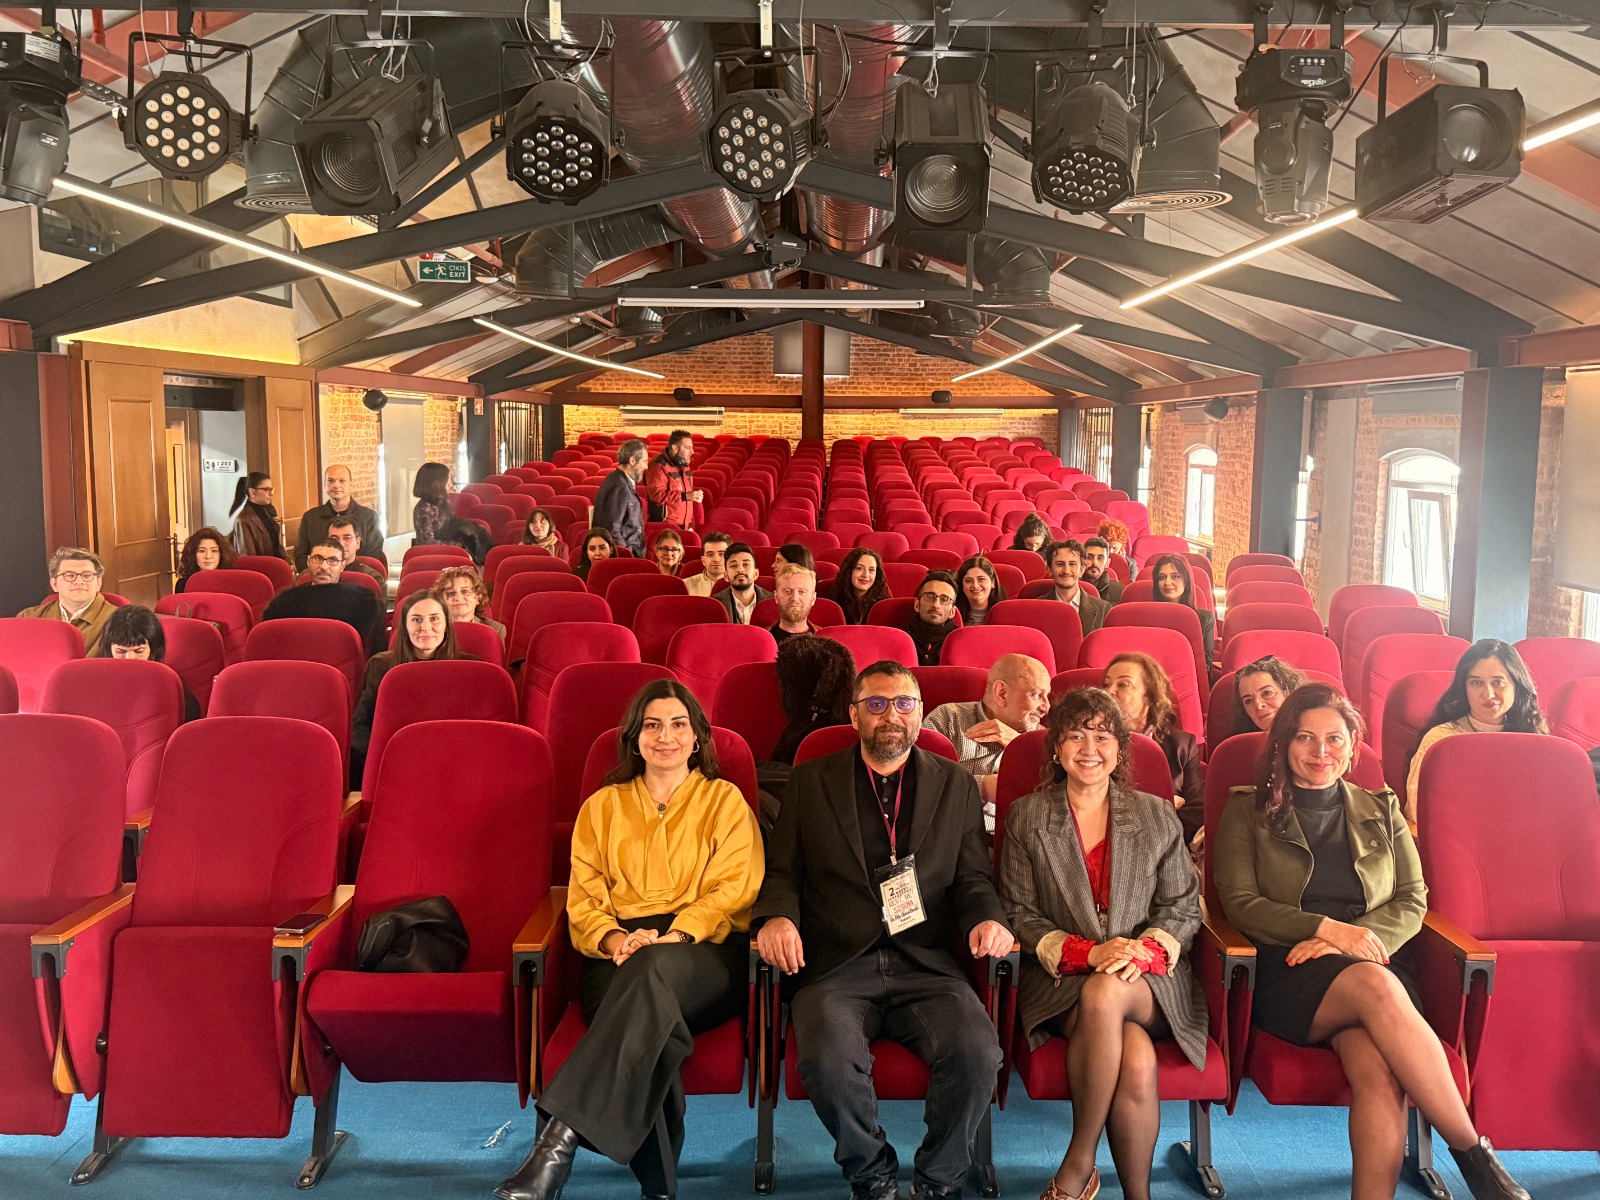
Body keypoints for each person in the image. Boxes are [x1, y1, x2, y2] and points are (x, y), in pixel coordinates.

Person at [1214, 684, 1529, 1200]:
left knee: (1379, 1071)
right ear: (1283, 744)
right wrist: (1326, 930)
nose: (1321, 751)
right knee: (1376, 987)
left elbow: (1412, 898)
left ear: (1352, 745)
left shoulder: (1381, 808)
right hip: (1288, 966)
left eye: (1334, 738)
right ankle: (1472, 1153)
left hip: (1373, 957)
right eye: (1305, 738)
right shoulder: (1247, 810)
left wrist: (1356, 939)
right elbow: (1241, 903)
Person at [754, 660, 1013, 1200]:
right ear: (854, 715)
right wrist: (777, 917)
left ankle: (939, 1181)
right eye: (875, 704)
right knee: (826, 1062)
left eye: (903, 703)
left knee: (976, 1054)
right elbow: (782, 873)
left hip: (927, 963)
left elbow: (973, 878)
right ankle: (871, 1174)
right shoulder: (810, 782)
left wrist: (989, 918)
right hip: (837, 965)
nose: (890, 715)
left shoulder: (956, 785)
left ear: (920, 714)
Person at [495, 681, 762, 1200]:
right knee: (652, 1023)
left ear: (697, 737)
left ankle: (556, 1143)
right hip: (617, 955)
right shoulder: (602, 807)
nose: (666, 736)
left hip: (704, 952)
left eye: (679, 725)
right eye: (653, 725)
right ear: (635, 738)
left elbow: (736, 889)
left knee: (647, 984)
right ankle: (656, 1190)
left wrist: (676, 934)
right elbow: (582, 899)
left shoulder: (723, 801)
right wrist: (616, 938)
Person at [999, 687, 1205, 1200]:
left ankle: (1079, 1161)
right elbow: (1018, 912)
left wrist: (1140, 952)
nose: (1089, 749)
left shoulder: (1156, 814)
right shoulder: (1027, 816)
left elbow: (1182, 906)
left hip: (1148, 981)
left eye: (1103, 737)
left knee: (1107, 989)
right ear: (1056, 748)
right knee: (1135, 1058)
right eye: (1075, 736)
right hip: (1063, 984)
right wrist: (1089, 953)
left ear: (1120, 750)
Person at [1405, 639, 1548, 822]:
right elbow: (1417, 811)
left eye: (1498, 682)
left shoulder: (1534, 736)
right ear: (1464, 688)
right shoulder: (1441, 740)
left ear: (1516, 686)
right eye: (1477, 683)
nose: (1488, 694)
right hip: (1457, 834)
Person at [350, 590, 473, 781]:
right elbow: (361, 727)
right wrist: (388, 758)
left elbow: (475, 732)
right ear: (405, 627)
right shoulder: (380, 666)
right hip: (393, 765)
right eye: (416, 620)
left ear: (447, 626)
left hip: (453, 767)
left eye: (434, 619)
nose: (425, 627)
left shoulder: (472, 669)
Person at [923, 653, 1051, 826]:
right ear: (1002, 693)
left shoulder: (1041, 739)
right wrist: (982, 787)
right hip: (953, 831)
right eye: (1036, 695)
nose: (1046, 707)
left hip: (1016, 836)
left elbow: (1057, 797)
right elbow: (923, 786)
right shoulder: (948, 719)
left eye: (1047, 696)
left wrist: (1019, 745)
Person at [1103, 652, 1204, 842]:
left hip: (1164, 847)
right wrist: (1163, 808)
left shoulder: (1182, 745)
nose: (1109, 692)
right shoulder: (1092, 744)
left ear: (1149, 696)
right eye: (1107, 684)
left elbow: (1198, 810)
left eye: (1123, 684)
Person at [261, 539, 385, 656]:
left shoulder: (363, 603)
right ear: (308, 561)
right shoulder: (284, 603)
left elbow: (373, 651)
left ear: (342, 565)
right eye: (318, 559)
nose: (324, 567)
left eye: (333, 560)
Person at [93, 604, 200, 722]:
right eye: (121, 651)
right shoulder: (94, 679)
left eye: (139, 651)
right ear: (109, 649)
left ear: (153, 648)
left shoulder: (168, 682)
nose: (129, 658)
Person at [19, 547, 115, 650]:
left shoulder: (118, 621)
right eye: (70, 575)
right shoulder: (27, 618)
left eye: (87, 575)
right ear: (54, 584)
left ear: (99, 583)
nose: (79, 581)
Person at [294, 463, 383, 572]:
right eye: (331, 481)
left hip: (357, 576)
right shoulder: (311, 517)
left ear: (351, 484)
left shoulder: (368, 517)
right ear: (324, 484)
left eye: (342, 481)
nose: (336, 485)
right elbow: (301, 556)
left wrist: (343, 573)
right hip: (320, 576)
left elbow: (372, 556)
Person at [1148, 554, 1215, 664]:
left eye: (1175, 576)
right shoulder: (1147, 617)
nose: (1167, 583)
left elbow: (1205, 666)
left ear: (1186, 580)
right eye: (1162, 577)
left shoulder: (1204, 619)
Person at [1229, 656, 1306, 738]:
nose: (1258, 706)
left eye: (1267, 693)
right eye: (1248, 700)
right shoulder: (1240, 744)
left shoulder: (1314, 739)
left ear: (1290, 692)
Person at [1045, 540, 1111, 635]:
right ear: (1049, 569)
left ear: (1082, 570)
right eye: (1060, 564)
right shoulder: (1035, 609)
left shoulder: (1104, 609)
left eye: (1072, 564)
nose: (1066, 571)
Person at [596, 438, 648, 557]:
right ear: (632, 461)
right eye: (644, 461)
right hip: (626, 556)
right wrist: (627, 554)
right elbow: (612, 529)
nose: (646, 467)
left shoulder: (618, 480)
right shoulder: (620, 486)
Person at [644, 429, 703, 529]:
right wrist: (685, 496)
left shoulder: (684, 464)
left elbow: (688, 500)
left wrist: (690, 524)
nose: (692, 452)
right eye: (688, 448)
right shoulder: (659, 466)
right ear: (675, 448)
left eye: (692, 448)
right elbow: (657, 496)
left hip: (684, 525)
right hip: (666, 526)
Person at [228, 471, 290, 563]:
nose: (271, 494)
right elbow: (248, 558)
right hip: (261, 568)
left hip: (274, 565)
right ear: (252, 492)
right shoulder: (243, 520)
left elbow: (276, 544)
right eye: (266, 490)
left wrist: (288, 562)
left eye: (271, 489)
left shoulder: (266, 511)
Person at [905, 569, 960, 667]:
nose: (936, 605)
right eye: (930, 596)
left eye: (944, 599)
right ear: (917, 605)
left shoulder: (960, 642)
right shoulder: (901, 639)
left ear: (952, 612)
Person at [437, 564, 505, 641]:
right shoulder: (432, 628)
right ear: (441, 600)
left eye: (465, 591)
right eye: (451, 593)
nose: (458, 598)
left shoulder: (496, 630)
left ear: (478, 597)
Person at [712, 542, 770, 625]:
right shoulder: (714, 604)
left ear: (756, 574)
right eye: (733, 566)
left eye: (746, 564)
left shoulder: (773, 602)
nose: (740, 570)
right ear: (726, 576)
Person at [832, 547, 889, 625]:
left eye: (871, 570)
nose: (866, 575)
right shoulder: (834, 601)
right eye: (859, 568)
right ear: (849, 571)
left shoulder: (883, 605)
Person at [174, 527, 236, 593]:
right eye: (202, 551)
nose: (208, 556)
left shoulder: (232, 582)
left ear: (222, 554)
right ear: (193, 554)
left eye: (214, 551)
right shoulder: (184, 584)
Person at [768, 562, 818, 644]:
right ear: (776, 597)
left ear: (813, 599)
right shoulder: (760, 639)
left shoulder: (826, 640)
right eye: (787, 591)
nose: (794, 598)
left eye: (801, 592)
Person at [327, 515, 386, 584]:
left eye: (347, 538)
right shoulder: (320, 574)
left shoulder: (373, 578)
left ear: (358, 543)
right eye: (335, 539)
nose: (341, 544)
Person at [955, 555, 1006, 627]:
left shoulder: (1005, 615)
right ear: (962, 585)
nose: (975, 586)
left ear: (993, 583)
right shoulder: (952, 616)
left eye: (981, 579)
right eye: (968, 581)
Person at [411, 462, 453, 547]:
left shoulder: (441, 504)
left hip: (446, 550)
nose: (451, 484)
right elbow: (429, 542)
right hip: (433, 553)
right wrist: (459, 545)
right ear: (436, 482)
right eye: (448, 479)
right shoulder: (425, 509)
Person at [683, 531, 731, 598]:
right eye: (710, 555)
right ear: (703, 560)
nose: (716, 559)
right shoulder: (685, 585)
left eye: (722, 554)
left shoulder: (740, 585)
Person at [1080, 537, 1124, 604]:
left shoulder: (1120, 592)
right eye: (1089, 557)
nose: (1095, 563)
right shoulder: (1071, 587)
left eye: (1100, 558)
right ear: (1082, 560)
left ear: (1107, 563)